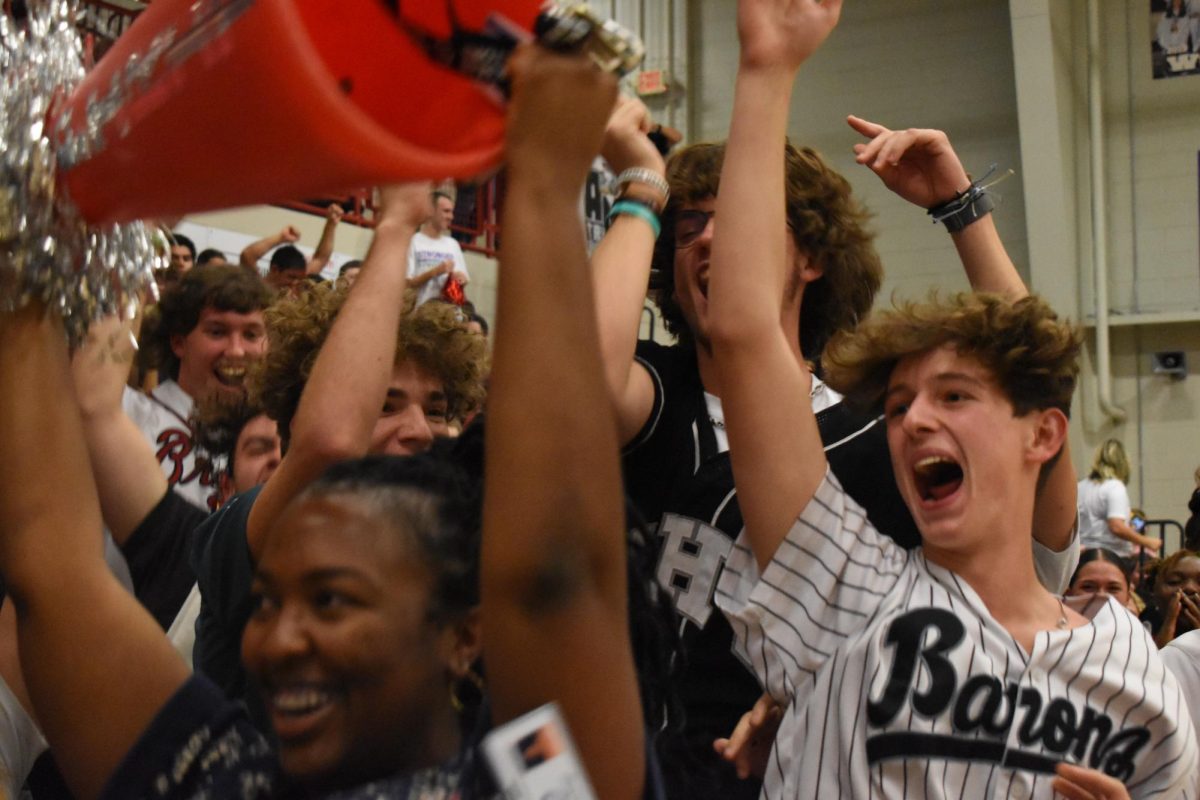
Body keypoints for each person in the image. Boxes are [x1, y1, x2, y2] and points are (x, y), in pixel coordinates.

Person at [0, 41, 657, 800]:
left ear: (464, 634)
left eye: (333, 600)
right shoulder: (227, 779)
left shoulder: (522, 781)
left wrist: (555, 185)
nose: (277, 639)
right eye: (270, 599)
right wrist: (26, 224)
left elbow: (554, 571)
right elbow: (52, 571)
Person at [705, 1, 1196, 798]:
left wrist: (962, 208)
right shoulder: (853, 592)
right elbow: (746, 331)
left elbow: (1035, 362)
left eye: (954, 394)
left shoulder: (1131, 664)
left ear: (1044, 437)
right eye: (899, 406)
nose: (916, 419)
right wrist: (767, 69)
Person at [592, 27, 1080, 800]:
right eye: (688, 229)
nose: (711, 239)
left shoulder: (879, 430)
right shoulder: (649, 389)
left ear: (813, 257)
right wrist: (641, 194)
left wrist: (962, 209)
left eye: (738, 218)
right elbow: (574, 369)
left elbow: (1035, 417)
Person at [191, 189, 488, 719]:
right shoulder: (249, 527)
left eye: (437, 408)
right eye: (383, 405)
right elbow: (332, 443)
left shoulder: (456, 557)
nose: (420, 430)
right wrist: (396, 224)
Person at [127, 263, 272, 511]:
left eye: (251, 335)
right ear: (178, 342)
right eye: (217, 332)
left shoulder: (274, 437)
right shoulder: (130, 416)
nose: (236, 351)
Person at [1078, 439, 1161, 557]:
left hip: (1083, 553)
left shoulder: (1080, 487)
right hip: (1111, 554)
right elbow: (1116, 526)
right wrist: (1147, 541)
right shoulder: (1114, 487)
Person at [407, 190, 471, 307]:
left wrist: (460, 279)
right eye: (446, 211)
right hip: (419, 313)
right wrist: (435, 272)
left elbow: (463, 281)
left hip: (446, 315)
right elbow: (407, 283)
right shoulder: (413, 241)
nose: (451, 217)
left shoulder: (453, 244)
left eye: (452, 212)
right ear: (431, 211)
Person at [1142, 548, 1200, 648]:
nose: (1190, 588)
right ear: (1153, 590)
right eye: (1174, 581)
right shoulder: (1137, 631)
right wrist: (1168, 629)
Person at [1065, 548, 1139, 614]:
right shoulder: (1056, 629)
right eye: (1088, 587)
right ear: (1068, 594)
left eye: (1113, 588)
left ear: (1128, 597)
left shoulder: (1138, 629)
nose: (1101, 595)